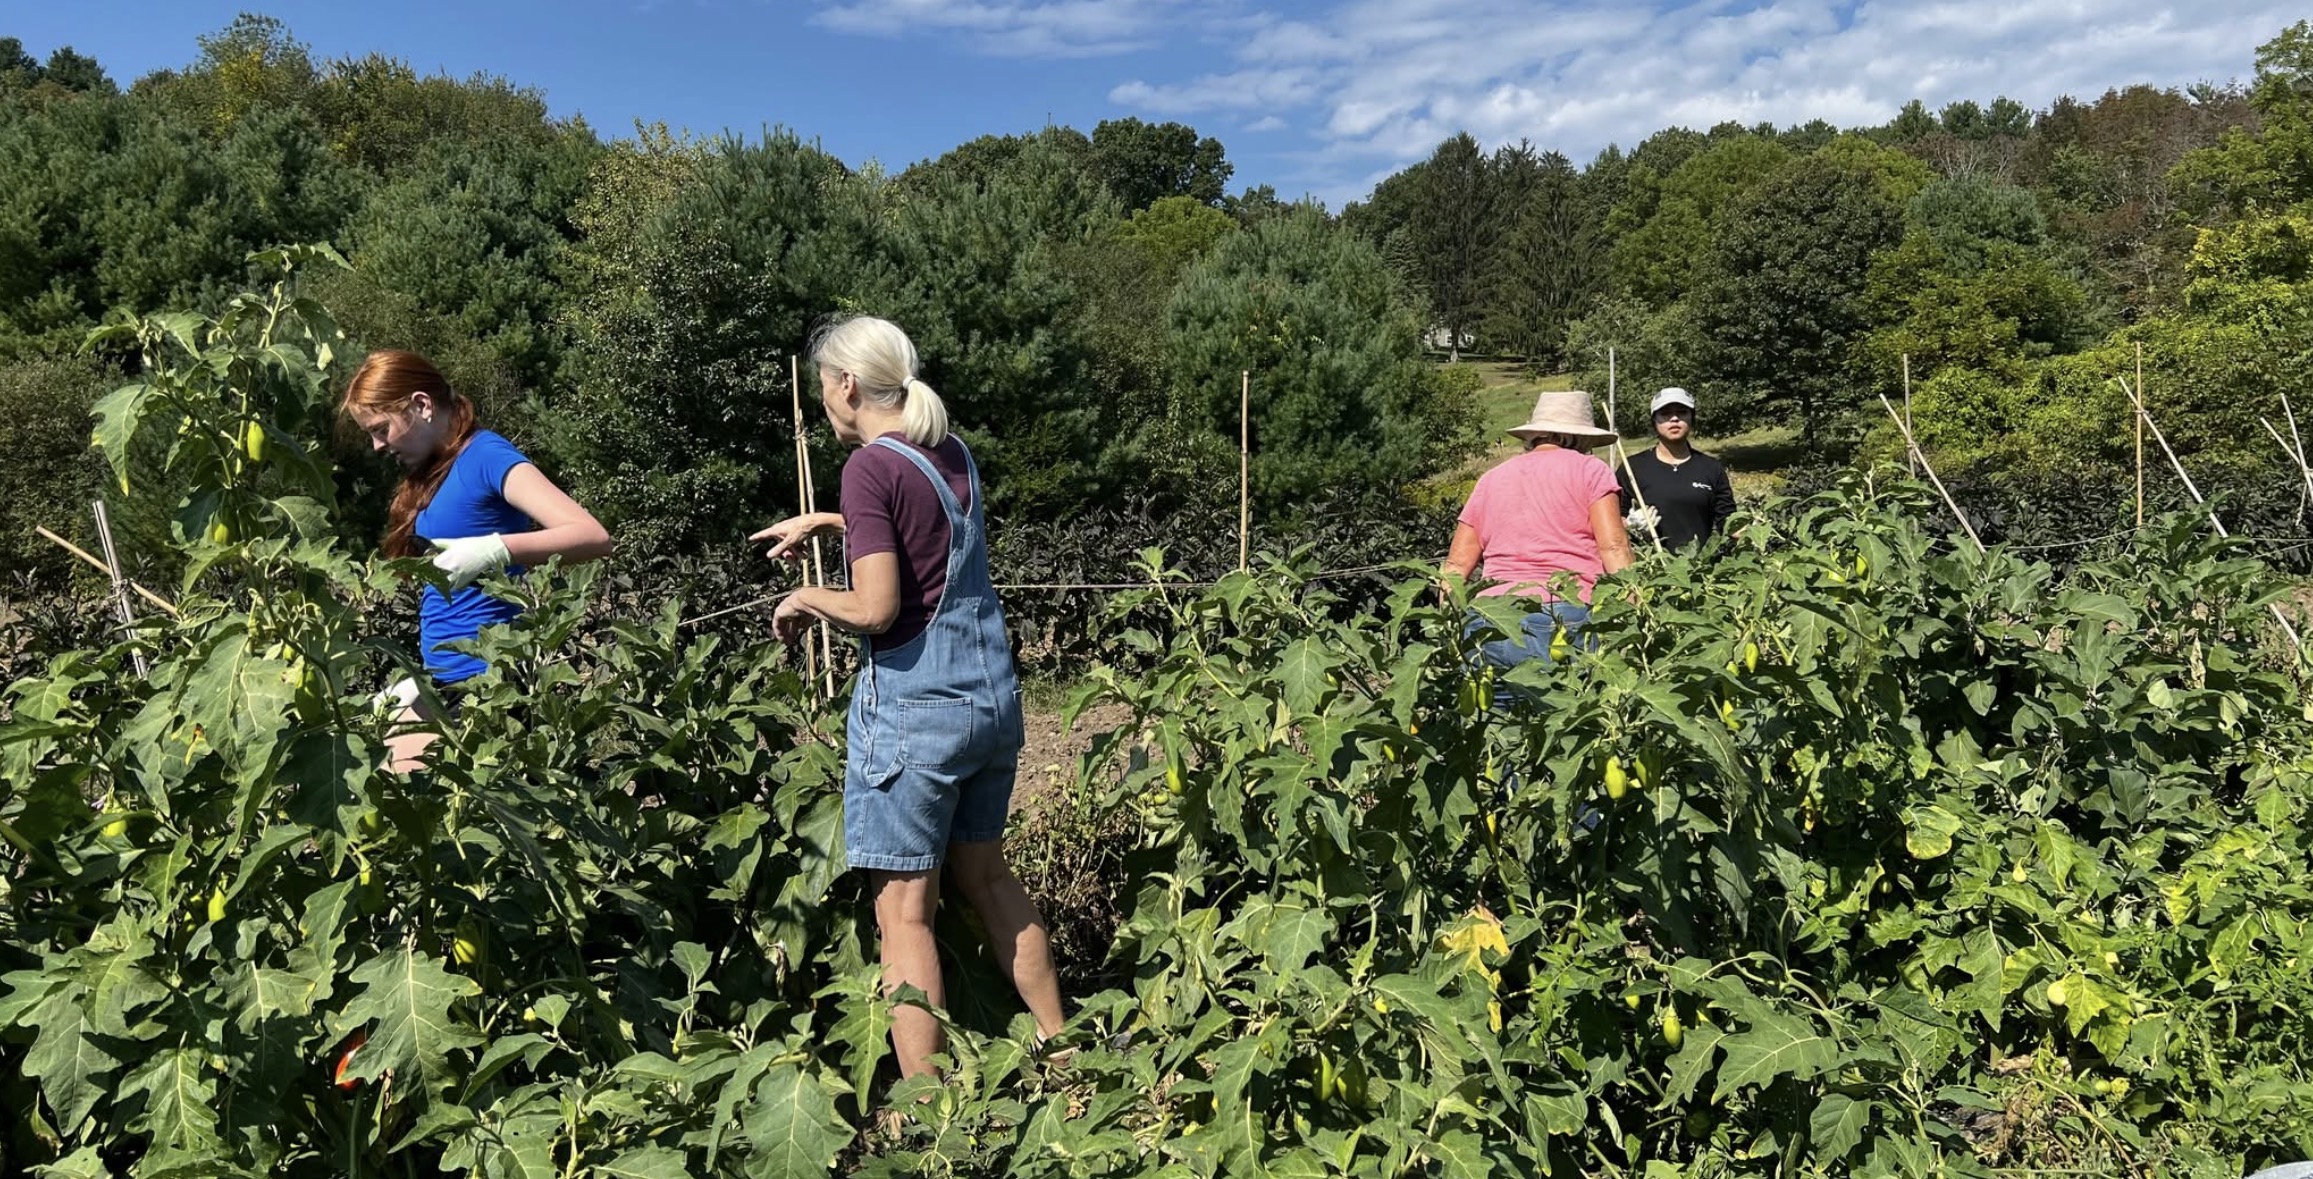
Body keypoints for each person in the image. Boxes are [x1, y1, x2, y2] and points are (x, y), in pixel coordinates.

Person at [751, 315, 1063, 1083]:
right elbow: (929, 540)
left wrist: (805, 597)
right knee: (989, 878)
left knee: (903, 914)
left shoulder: (867, 467)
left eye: (824, 382)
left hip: (918, 712)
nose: (824, 397)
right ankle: (1066, 1049)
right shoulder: (947, 450)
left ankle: (930, 1111)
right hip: (989, 701)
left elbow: (878, 609)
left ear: (846, 385)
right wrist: (829, 523)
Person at [342, 350, 612, 771]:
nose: (376, 446)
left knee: (390, 799)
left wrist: (496, 549)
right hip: (444, 683)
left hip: (488, 689)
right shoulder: (434, 475)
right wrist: (414, 686)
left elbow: (591, 536)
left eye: (381, 429)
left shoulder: (486, 456)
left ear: (422, 405)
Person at [1442, 390, 1634, 668]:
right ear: (1580, 438)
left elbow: (1457, 565)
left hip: (1489, 616)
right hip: (1560, 613)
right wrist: (1634, 607)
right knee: (1563, 707)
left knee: (1494, 709)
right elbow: (1613, 547)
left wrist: (1448, 627)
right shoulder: (1591, 470)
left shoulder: (1491, 478)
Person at [1617, 387, 1736, 551]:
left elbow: (1728, 520)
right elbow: (1614, 519)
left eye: (1682, 412)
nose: (1674, 419)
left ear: (1691, 418)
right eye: (1665, 414)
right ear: (1654, 421)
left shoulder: (1711, 467)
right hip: (1650, 567)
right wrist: (1631, 526)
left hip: (1701, 568)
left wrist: (1754, 528)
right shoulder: (1632, 467)